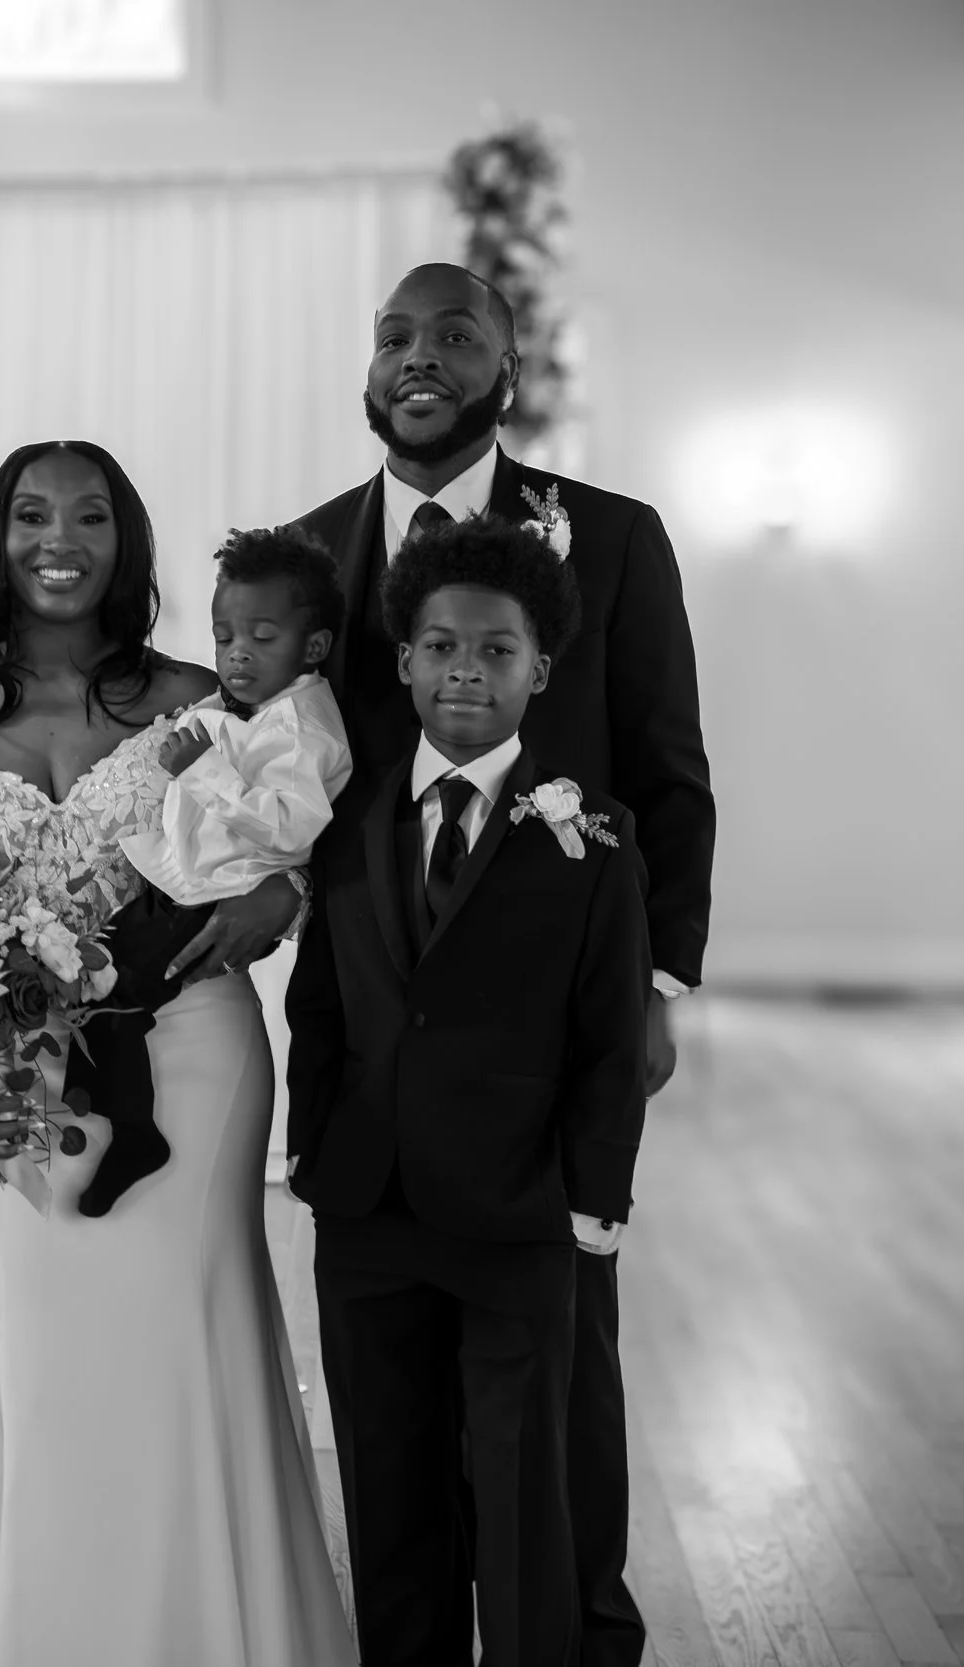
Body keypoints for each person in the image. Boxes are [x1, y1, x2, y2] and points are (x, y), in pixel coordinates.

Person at [278, 261, 711, 1665]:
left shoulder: (615, 540)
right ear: (367, 370)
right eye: (397, 335)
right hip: (384, 1065)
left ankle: (573, 1635)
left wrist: (653, 991)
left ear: (506, 369)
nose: (423, 356)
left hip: (548, 1046)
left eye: (456, 335)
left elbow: (669, 769)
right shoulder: (304, 559)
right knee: (396, 1446)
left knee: (554, 1408)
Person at [0, 442, 356, 1664]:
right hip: (8, 1084)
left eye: (90, 514)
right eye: (31, 514)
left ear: (126, 540)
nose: (59, 537)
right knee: (41, 1348)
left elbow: (308, 807)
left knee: (182, 1338)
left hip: (195, 1054)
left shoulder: (206, 689)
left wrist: (288, 894)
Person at [287, 517, 651, 1667]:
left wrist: (593, 1200)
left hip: (518, 1213)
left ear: (539, 668)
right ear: (400, 659)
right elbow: (321, 1006)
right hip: (370, 1208)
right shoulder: (346, 824)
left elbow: (607, 1040)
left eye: (496, 651)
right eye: (440, 644)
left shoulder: (593, 838)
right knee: (389, 1490)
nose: (464, 670)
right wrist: (313, 1152)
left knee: (520, 1491)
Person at [86, 524, 354, 1212]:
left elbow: (292, 823)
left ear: (313, 646)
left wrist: (200, 767)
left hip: (220, 899)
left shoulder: (304, 727)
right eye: (224, 636)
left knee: (114, 995)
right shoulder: (256, 705)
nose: (237, 654)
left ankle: (134, 1132)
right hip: (186, 881)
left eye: (261, 639)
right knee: (95, 975)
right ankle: (100, 1090)